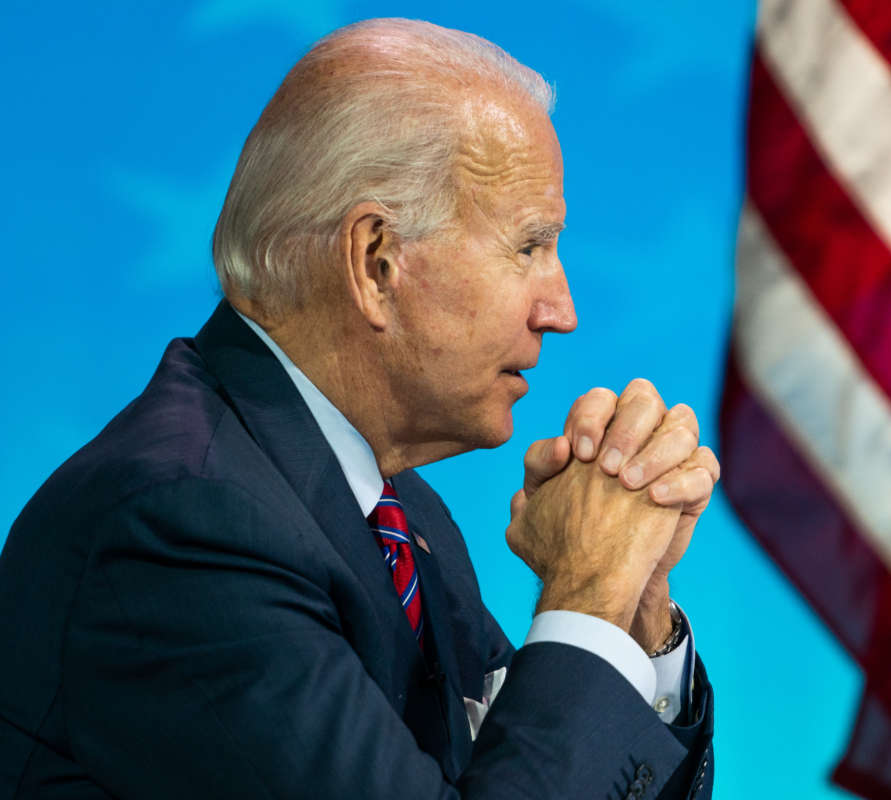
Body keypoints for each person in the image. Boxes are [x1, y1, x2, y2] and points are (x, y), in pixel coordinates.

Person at [0, 17, 718, 800]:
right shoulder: (185, 528)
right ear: (376, 261)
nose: (561, 307)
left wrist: (636, 609)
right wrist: (588, 591)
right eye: (529, 246)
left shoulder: (402, 516)